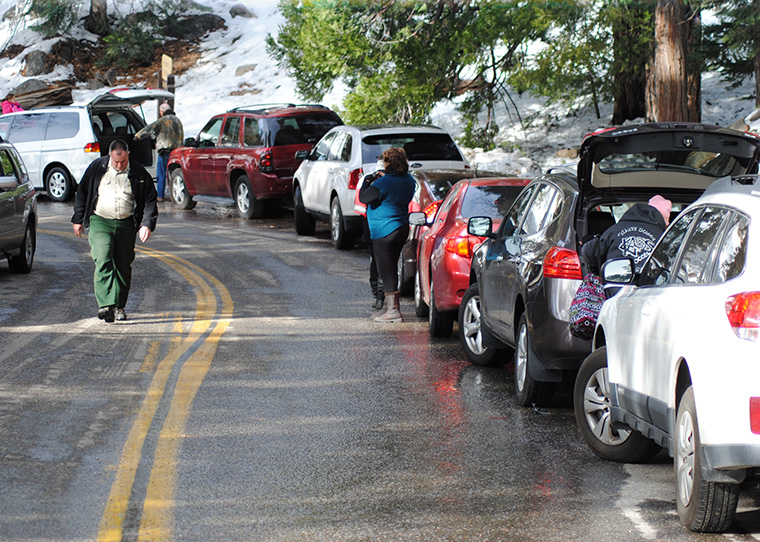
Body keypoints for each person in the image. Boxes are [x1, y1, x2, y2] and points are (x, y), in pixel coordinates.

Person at [71, 139, 158, 323]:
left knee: (123, 266)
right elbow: (83, 192)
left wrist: (146, 224)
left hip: (126, 223)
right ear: (110, 156)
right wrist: (78, 219)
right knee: (103, 258)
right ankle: (105, 305)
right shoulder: (97, 167)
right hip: (100, 221)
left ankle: (119, 306)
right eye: (116, 161)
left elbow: (150, 200)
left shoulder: (138, 172)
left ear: (128, 156)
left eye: (123, 162)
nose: (119, 165)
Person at [359, 148, 416, 323]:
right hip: (401, 227)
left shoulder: (384, 182)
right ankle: (392, 307)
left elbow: (364, 197)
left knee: (387, 270)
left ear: (388, 163)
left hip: (383, 230)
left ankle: (393, 310)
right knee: (392, 266)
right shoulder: (409, 180)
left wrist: (368, 180)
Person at [581, 194, 672, 276]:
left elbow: (588, 253)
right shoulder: (664, 238)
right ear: (663, 219)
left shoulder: (615, 230)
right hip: (650, 291)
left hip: (615, 288)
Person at [133, 102, 183, 202]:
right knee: (174, 175)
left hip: (165, 151)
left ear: (162, 111)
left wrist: (137, 136)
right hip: (177, 153)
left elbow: (149, 129)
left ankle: (160, 196)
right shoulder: (178, 121)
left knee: (161, 175)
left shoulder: (163, 120)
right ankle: (173, 196)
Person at [355, 159, 385, 310]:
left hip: (377, 227)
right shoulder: (366, 181)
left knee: (379, 261)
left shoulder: (368, 181)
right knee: (379, 262)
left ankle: (380, 295)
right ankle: (378, 295)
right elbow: (361, 205)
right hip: (375, 228)